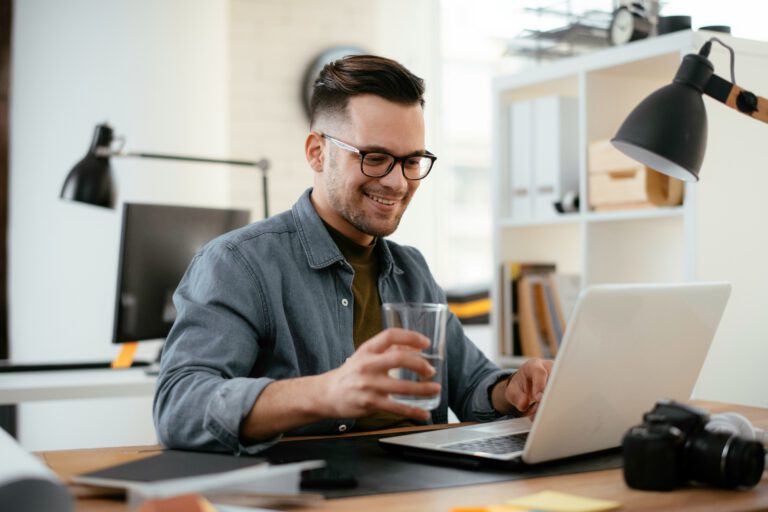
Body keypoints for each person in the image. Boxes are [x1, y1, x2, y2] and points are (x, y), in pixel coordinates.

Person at [153, 55, 553, 455]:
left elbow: (472, 385)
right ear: (316, 152)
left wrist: (511, 389)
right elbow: (179, 406)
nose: (397, 182)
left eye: (412, 161)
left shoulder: (411, 271)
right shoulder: (237, 263)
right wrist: (324, 393)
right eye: (375, 158)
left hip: (423, 488)